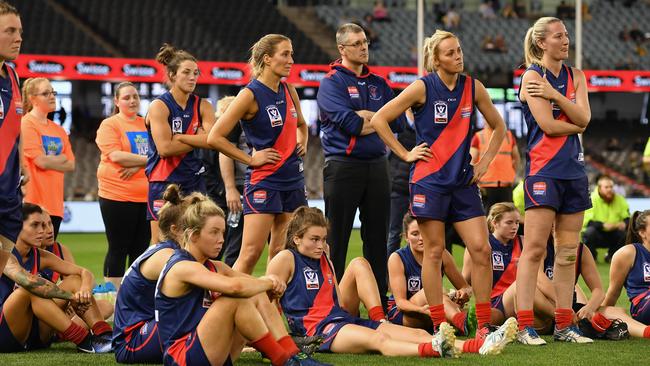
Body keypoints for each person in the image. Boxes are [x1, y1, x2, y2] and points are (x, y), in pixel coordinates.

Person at [370, 29, 507, 337]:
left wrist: (483, 164)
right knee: (434, 252)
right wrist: (405, 153)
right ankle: (439, 324)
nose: (457, 57)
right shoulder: (422, 87)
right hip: (429, 183)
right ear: (435, 59)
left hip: (462, 182)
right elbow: (379, 119)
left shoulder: (474, 87)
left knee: (482, 249)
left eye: (459, 50)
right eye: (450, 53)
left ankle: (483, 326)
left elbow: (498, 127)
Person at [267, 206, 517, 358]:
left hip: (341, 319)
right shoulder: (286, 258)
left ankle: (478, 346)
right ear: (297, 239)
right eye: (314, 239)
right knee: (380, 342)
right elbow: (265, 302)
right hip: (317, 331)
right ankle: (435, 348)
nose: (321, 245)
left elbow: (335, 300)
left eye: (323, 239)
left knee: (418, 332)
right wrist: (275, 341)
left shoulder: (324, 257)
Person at [154, 194, 327, 366]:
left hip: (207, 348)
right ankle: (283, 360)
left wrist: (269, 284)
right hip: (182, 357)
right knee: (235, 299)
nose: (221, 240)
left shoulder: (214, 266)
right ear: (193, 236)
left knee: (254, 293)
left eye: (222, 232)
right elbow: (236, 287)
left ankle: (293, 355)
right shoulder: (182, 266)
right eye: (214, 232)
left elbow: (250, 285)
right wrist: (268, 282)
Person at [515, 16, 592, 345]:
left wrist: (557, 97)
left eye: (566, 36)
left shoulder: (576, 75)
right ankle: (523, 327)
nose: (566, 41)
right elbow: (549, 125)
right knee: (533, 251)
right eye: (559, 36)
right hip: (544, 171)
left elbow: (585, 118)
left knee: (567, 253)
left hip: (573, 172)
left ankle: (564, 325)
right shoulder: (532, 76)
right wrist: (573, 117)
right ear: (542, 43)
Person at [0, 0, 80, 309]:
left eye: (19, 31)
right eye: (9, 31)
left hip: (9, 198)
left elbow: (13, 135)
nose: (18, 37)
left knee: (5, 267)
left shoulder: (13, 77)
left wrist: (18, 175)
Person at [316, 23, 405, 300]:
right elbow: (350, 124)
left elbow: (399, 122)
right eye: (356, 43)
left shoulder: (379, 83)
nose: (363, 47)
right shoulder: (331, 83)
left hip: (378, 166)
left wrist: (368, 116)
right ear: (342, 48)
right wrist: (376, 119)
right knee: (336, 238)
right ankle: (333, 302)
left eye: (365, 41)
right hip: (343, 166)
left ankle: (379, 301)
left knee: (378, 239)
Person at [208, 34, 308, 274]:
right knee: (250, 254)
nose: (291, 60)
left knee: (282, 253)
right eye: (285, 54)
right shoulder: (249, 94)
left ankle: (272, 308)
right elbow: (215, 137)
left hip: (293, 180)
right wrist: (251, 159)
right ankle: (231, 307)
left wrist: (301, 141)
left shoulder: (289, 89)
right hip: (265, 181)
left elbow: (302, 125)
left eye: (291, 54)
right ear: (267, 58)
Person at [0, 203, 112, 353]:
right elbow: (28, 281)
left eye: (45, 224)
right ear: (16, 227)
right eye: (35, 225)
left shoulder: (40, 255)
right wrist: (71, 297)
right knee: (29, 289)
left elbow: (84, 272)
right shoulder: (3, 252)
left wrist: (84, 291)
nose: (43, 231)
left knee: (74, 280)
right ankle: (83, 340)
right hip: (5, 333)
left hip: (34, 331)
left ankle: (104, 336)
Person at [146, 44, 215, 243]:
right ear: (172, 75)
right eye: (186, 72)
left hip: (194, 180)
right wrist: (197, 137)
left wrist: (182, 138)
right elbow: (165, 149)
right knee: (161, 242)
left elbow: (213, 140)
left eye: (196, 73)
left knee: (196, 239)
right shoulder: (159, 106)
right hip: (164, 181)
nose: (193, 77)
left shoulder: (203, 105)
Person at [113, 184, 189, 364]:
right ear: (175, 229)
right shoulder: (167, 255)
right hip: (132, 340)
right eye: (193, 225)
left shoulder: (166, 250)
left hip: (148, 328)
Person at [96, 82, 151, 289]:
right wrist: (147, 160)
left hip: (145, 196)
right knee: (118, 248)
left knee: (140, 250)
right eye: (127, 97)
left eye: (135, 96)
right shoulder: (109, 125)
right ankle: (112, 298)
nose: (132, 101)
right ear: (116, 101)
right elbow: (116, 156)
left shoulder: (147, 123)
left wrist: (136, 162)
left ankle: (132, 295)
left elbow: (162, 153)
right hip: (116, 195)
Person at [388, 213, 473, 335]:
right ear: (406, 237)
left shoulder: (442, 254)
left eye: (424, 232)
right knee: (432, 291)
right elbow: (401, 303)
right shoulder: (397, 258)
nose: (421, 238)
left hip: (434, 310)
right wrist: (422, 310)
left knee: (439, 295)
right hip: (406, 314)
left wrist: (463, 294)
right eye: (415, 234)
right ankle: (461, 322)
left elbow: (466, 287)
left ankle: (456, 323)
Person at [539, 238, 629, 340]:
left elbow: (598, 290)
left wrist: (589, 308)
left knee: (616, 312)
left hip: (571, 310)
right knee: (519, 289)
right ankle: (569, 322)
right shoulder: (541, 246)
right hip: (543, 314)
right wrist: (564, 311)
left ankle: (645, 331)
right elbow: (539, 281)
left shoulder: (581, 250)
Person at [21, 77, 74, 239]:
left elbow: (71, 164)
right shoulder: (27, 123)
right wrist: (59, 159)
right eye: (46, 93)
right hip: (33, 203)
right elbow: (40, 161)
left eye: (53, 92)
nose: (52, 96)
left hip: (55, 205)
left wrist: (49, 160)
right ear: (33, 99)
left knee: (47, 257)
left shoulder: (59, 130)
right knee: (31, 259)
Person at [39, 210, 113, 322]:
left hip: (59, 305)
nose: (50, 230)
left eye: (50, 223)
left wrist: (80, 295)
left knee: (106, 306)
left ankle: (63, 329)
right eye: (41, 226)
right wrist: (68, 297)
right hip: (37, 310)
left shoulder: (59, 249)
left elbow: (81, 278)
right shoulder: (20, 254)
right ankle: (68, 329)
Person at [462, 203, 521, 326]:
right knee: (522, 282)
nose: (514, 227)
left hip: (521, 300)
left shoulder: (523, 242)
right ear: (495, 223)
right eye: (509, 223)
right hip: (493, 303)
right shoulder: (481, 245)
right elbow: (464, 281)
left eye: (517, 222)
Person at [602, 210, 650, 339]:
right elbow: (613, 292)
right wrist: (603, 314)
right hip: (642, 308)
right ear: (642, 232)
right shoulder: (628, 253)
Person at [216, 96, 247, 266]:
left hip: (270, 184)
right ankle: (225, 287)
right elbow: (222, 152)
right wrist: (229, 188)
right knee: (236, 246)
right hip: (240, 188)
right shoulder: (235, 123)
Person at [470, 124, 520, 211]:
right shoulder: (479, 136)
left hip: (505, 185)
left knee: (506, 216)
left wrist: (512, 175)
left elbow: (516, 158)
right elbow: (472, 161)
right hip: (485, 187)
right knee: (490, 217)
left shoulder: (509, 135)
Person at [387, 110, 416, 255]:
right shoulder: (396, 124)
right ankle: (388, 274)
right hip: (397, 188)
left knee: (420, 232)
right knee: (394, 232)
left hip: (417, 189)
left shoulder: (424, 125)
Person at [582, 175, 630, 263]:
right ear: (599, 188)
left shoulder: (620, 200)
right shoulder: (591, 199)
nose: (609, 189)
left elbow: (627, 218)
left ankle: (612, 256)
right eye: (606, 187)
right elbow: (586, 221)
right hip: (597, 233)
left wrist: (624, 223)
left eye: (611, 187)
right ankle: (592, 257)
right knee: (589, 232)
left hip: (614, 232)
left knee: (626, 234)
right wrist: (603, 225)